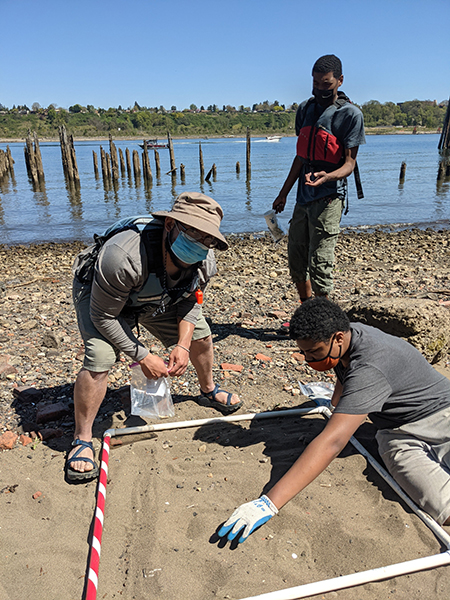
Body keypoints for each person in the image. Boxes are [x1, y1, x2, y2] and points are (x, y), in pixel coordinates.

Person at [218, 298, 450, 543]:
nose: (309, 359)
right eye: (304, 352)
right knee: (440, 506)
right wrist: (335, 403)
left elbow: (333, 441)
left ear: (338, 338)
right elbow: (345, 374)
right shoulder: (348, 337)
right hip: (394, 432)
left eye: (314, 351)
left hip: (441, 415)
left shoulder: (371, 366)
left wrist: (269, 503)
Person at [66, 192, 242, 481]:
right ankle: (82, 438)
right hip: (103, 299)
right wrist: (143, 356)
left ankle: (208, 390)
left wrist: (183, 346)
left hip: (158, 297)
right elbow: (104, 316)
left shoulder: (204, 260)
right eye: (194, 234)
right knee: (100, 357)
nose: (201, 244)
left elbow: (191, 301)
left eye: (208, 239)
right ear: (171, 223)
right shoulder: (123, 256)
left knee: (201, 335)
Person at [273, 54, 365, 304]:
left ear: (340, 81)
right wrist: (283, 193)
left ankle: (322, 317)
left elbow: (349, 164)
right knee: (297, 258)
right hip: (304, 195)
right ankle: (306, 310)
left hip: (329, 196)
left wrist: (328, 177)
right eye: (315, 84)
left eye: (326, 84)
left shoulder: (350, 115)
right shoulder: (305, 109)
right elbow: (301, 157)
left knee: (321, 261)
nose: (320, 89)